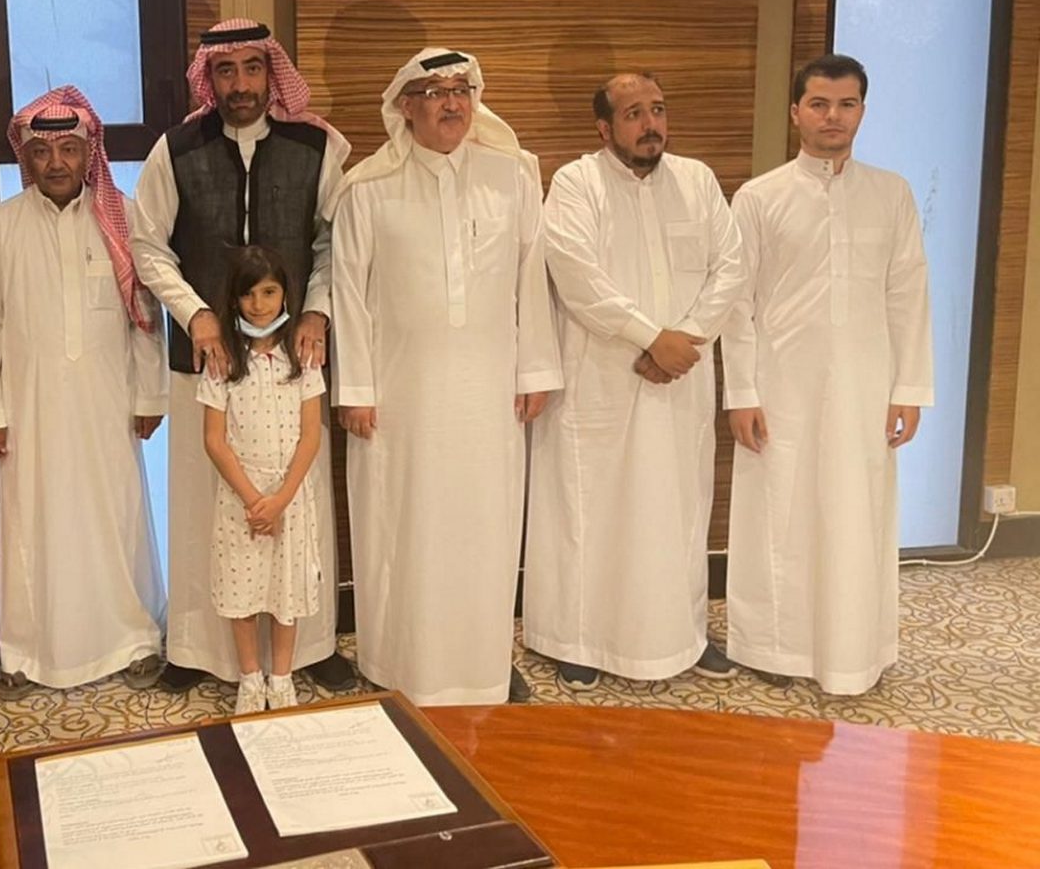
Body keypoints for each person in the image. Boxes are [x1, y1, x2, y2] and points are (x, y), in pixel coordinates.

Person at [330, 48, 562, 706]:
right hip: (400, 399)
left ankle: (483, 664)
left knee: (485, 524)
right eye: (435, 92)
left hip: (489, 394)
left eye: (462, 89)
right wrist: (356, 390)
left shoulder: (512, 176)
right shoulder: (367, 187)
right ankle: (400, 662)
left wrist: (535, 369)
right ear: (406, 106)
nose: (452, 103)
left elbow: (531, 277)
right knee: (405, 525)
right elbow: (348, 293)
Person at [132, 18, 354, 693]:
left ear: (271, 72)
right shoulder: (176, 150)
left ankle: (309, 649)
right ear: (209, 78)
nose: (240, 85)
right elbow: (147, 245)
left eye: (253, 69)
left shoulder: (315, 147)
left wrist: (316, 309)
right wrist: (196, 314)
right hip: (206, 363)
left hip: (294, 360)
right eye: (225, 72)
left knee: (297, 498)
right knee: (205, 504)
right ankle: (196, 650)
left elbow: (335, 244)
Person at [523, 73, 745, 692]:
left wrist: (685, 339)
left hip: (681, 375)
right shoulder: (577, 183)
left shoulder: (697, 180)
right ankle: (578, 640)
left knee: (680, 508)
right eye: (633, 114)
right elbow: (575, 273)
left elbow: (731, 267)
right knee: (590, 510)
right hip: (603, 378)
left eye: (658, 110)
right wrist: (650, 337)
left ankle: (683, 634)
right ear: (604, 128)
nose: (651, 125)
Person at [722, 54, 934, 695]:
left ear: (863, 111)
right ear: (796, 113)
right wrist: (741, 393)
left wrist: (909, 389)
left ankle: (854, 648)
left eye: (846, 104)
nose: (832, 117)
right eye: (819, 104)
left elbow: (908, 293)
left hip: (866, 385)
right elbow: (735, 303)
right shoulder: (759, 197)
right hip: (780, 387)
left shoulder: (891, 194)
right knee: (779, 515)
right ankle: (772, 646)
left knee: (856, 512)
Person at [0, 86, 169, 695]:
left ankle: (133, 639)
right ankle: (29, 652)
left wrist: (150, 395)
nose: (56, 162)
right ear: (26, 157)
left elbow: (145, 316)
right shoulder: (0, 225)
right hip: (29, 410)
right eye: (43, 151)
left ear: (88, 153)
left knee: (117, 516)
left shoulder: (122, 217)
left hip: (109, 405)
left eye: (70, 149)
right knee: (34, 523)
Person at [200, 247, 326, 714]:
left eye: (269, 292)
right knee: (243, 593)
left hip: (289, 498)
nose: (259, 304)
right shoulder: (222, 362)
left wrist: (280, 499)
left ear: (285, 294)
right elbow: (214, 440)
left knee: (284, 591)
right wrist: (255, 500)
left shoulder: (303, 359)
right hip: (241, 501)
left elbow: (311, 437)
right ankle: (250, 679)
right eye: (248, 294)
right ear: (234, 299)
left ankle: (282, 678)